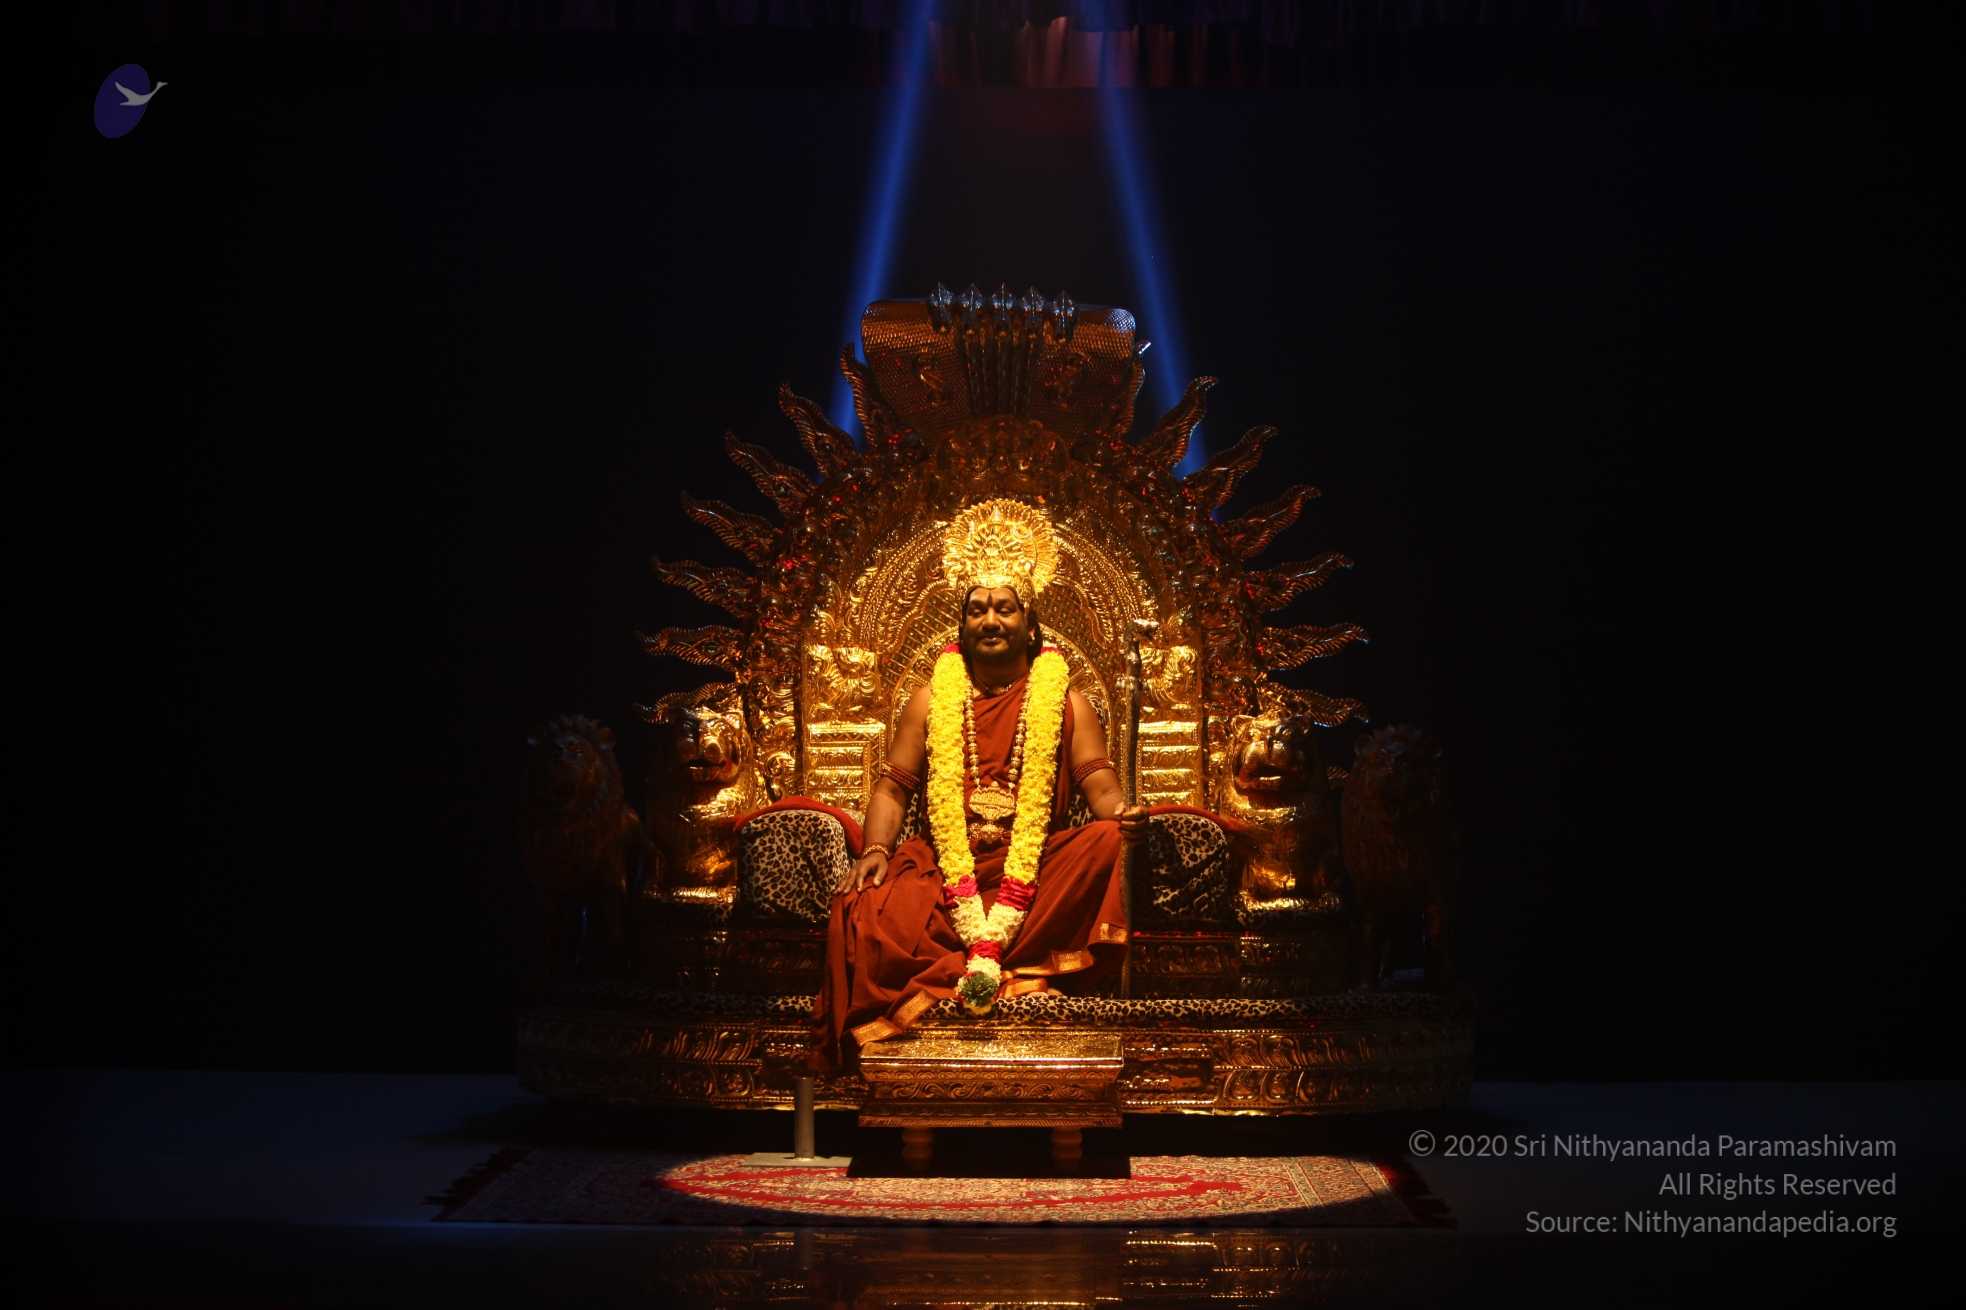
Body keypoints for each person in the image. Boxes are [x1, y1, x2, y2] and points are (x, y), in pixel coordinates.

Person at [809, 499, 1148, 1073]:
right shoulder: (929, 700)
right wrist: (875, 849)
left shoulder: (1068, 703)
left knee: (1107, 840)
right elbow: (893, 788)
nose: (991, 620)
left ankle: (1006, 964)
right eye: (977, 610)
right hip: (946, 869)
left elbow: (1100, 785)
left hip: (1036, 869)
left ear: (1030, 625)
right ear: (962, 627)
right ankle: (998, 968)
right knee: (862, 905)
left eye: (1005, 609)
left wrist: (1124, 815)